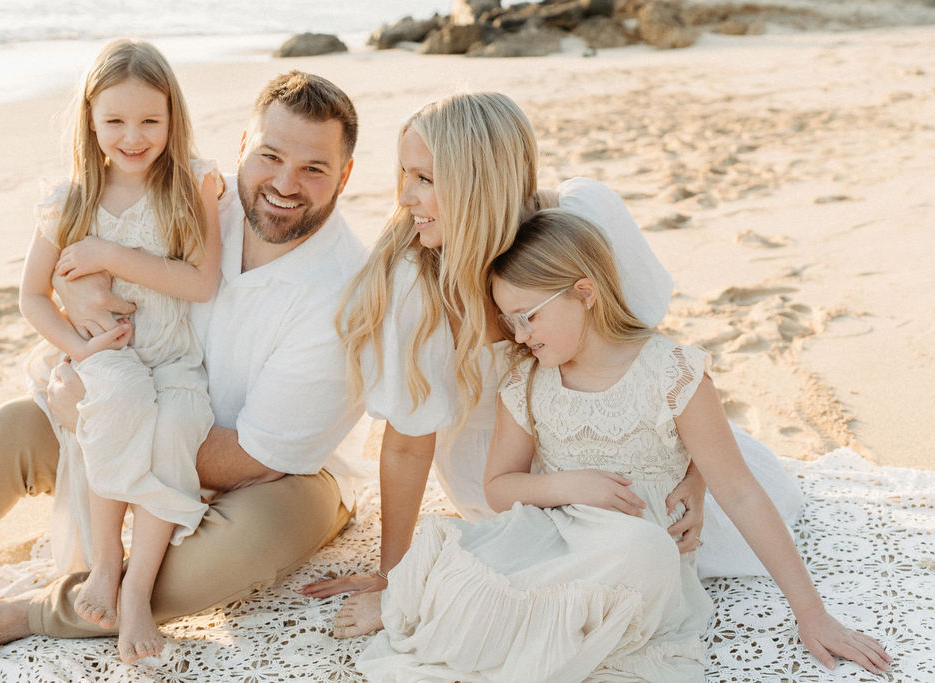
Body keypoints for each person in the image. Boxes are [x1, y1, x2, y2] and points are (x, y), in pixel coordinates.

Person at [302, 92, 803, 634]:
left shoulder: (580, 217)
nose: (405, 197)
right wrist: (392, 572)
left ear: (479, 182)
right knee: (559, 577)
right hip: (505, 476)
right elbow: (406, 443)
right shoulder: (417, 286)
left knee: (723, 522)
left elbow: (655, 367)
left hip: (628, 444)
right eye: (406, 174)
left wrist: (697, 476)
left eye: (424, 178)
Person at [0, 68, 367, 658]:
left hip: (277, 473)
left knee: (249, 541)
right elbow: (93, 250)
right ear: (241, 148)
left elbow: (254, 459)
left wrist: (98, 417)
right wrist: (78, 288)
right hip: (145, 404)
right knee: (13, 429)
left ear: (346, 174)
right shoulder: (197, 197)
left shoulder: (345, 294)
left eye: (314, 168)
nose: (284, 184)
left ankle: (36, 613)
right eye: (269, 156)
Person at [356, 209, 892, 681]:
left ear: (584, 293)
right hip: (555, 540)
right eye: (509, 321)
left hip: (636, 562)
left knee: (644, 550)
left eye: (529, 317)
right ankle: (425, 604)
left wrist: (811, 613)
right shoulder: (526, 381)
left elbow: (742, 492)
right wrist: (570, 485)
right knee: (467, 557)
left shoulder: (673, 373)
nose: (518, 336)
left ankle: (486, 616)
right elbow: (498, 489)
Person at [17, 38, 222, 663]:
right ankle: (108, 561)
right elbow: (30, 297)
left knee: (178, 427)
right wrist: (78, 348)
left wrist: (109, 256)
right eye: (115, 122)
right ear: (90, 121)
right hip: (106, 356)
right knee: (120, 402)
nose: (132, 137)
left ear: (172, 118)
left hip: (175, 356)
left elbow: (201, 282)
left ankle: (140, 586)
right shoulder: (70, 198)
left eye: (149, 121)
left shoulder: (191, 184)